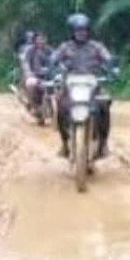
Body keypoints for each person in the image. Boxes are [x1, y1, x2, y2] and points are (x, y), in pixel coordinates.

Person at [50, 13, 115, 159]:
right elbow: (54, 58)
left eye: (84, 30)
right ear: (72, 32)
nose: (81, 33)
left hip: (93, 84)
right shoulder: (65, 47)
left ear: (88, 31)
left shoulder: (96, 47)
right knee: (60, 105)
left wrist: (112, 67)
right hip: (71, 84)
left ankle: (103, 144)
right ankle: (65, 143)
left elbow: (108, 58)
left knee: (104, 104)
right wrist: (52, 66)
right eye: (78, 30)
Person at [20, 31, 53, 114]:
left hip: (48, 76)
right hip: (34, 75)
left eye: (43, 39)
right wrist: (29, 73)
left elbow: (55, 60)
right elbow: (25, 63)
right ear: (35, 40)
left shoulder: (49, 50)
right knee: (31, 84)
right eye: (39, 39)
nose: (41, 41)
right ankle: (35, 106)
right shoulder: (30, 50)